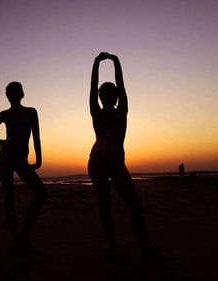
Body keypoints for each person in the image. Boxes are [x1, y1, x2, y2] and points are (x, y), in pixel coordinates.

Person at [88, 52, 154, 258]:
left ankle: (144, 245)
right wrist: (97, 63)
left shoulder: (122, 110)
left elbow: (121, 84)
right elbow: (92, 88)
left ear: (116, 97)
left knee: (134, 203)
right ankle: (111, 243)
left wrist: (115, 61)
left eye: (110, 94)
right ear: (100, 97)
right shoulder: (96, 111)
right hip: (98, 163)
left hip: (116, 163)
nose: (106, 97)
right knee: (104, 203)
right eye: (103, 94)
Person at [0, 81, 46, 250]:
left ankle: (24, 233)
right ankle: (16, 240)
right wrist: (0, 142)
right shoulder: (4, 114)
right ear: (7, 96)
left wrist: (39, 159)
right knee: (9, 198)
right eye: (10, 92)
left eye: (15, 91)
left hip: (21, 159)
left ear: (21, 93)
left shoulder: (31, 112)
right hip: (4, 158)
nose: (12, 95)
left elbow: (36, 137)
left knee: (41, 193)